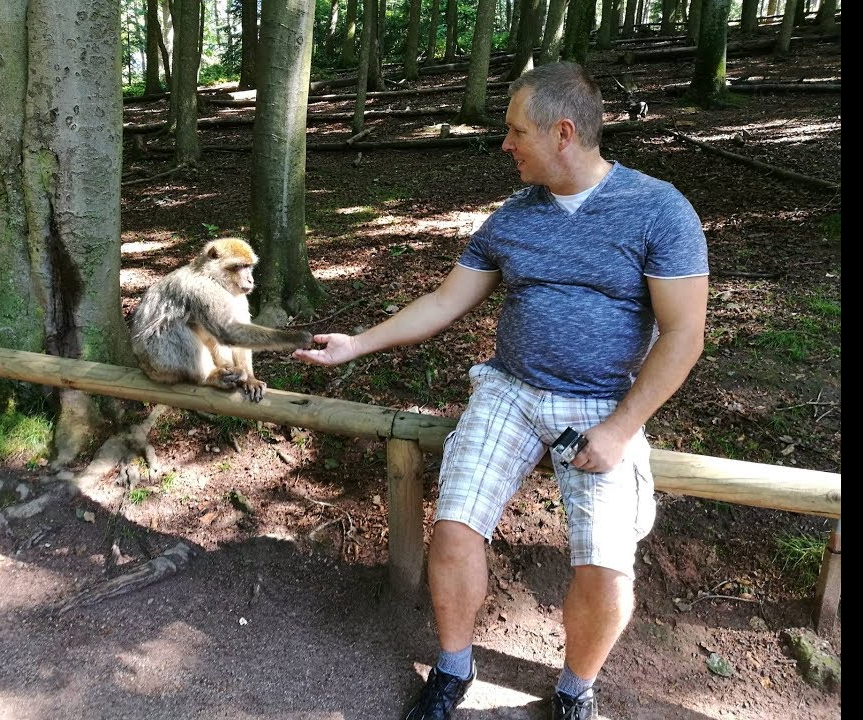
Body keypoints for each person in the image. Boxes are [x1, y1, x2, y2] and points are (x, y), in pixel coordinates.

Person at [294, 62, 708, 720]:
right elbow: (443, 301)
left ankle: (575, 688)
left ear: (563, 132)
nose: (505, 144)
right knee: (455, 527)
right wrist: (357, 343)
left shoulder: (659, 211)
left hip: (604, 404)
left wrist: (620, 429)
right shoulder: (513, 216)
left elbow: (684, 334)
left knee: (605, 564)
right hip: (509, 390)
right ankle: (453, 669)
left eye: (516, 131)